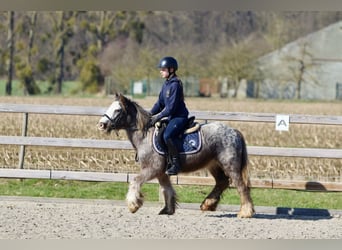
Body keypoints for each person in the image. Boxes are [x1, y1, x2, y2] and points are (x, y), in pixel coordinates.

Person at [150, 56, 189, 175]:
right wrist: (149, 115)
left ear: (171, 70)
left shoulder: (175, 85)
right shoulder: (166, 84)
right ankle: (166, 160)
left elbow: (170, 108)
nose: (160, 71)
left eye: (163, 69)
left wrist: (158, 117)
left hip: (179, 117)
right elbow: (160, 103)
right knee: (160, 134)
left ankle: (176, 164)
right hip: (172, 117)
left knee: (167, 135)